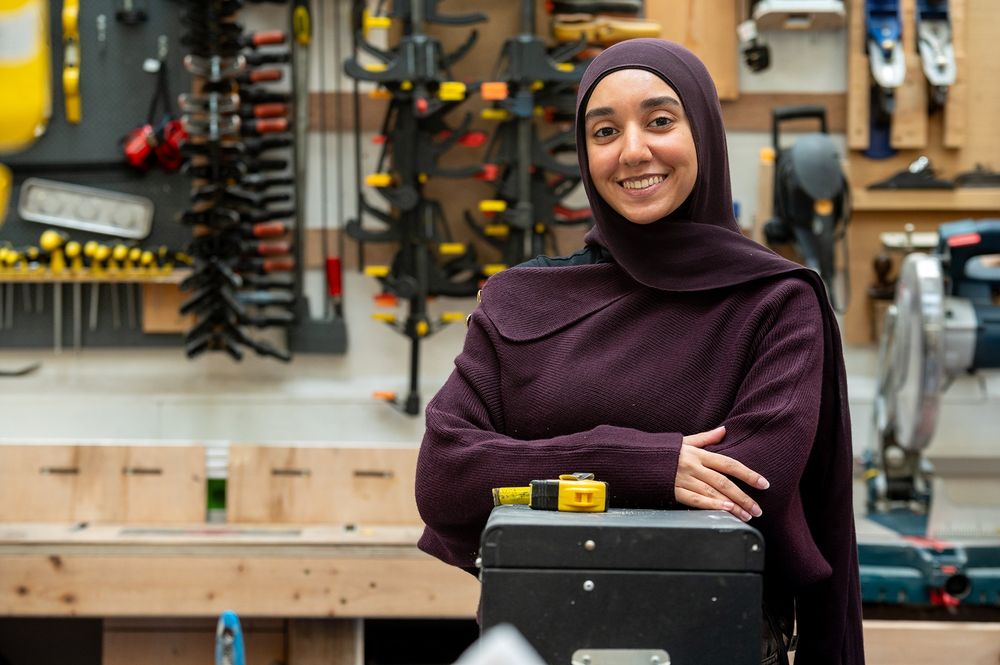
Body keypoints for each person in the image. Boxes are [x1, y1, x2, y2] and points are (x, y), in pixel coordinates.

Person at [415, 38, 864, 664]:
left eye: (659, 121)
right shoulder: (519, 301)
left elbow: (748, 482)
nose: (633, 151)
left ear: (702, 131)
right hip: (534, 646)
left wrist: (528, 470)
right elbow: (445, 475)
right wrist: (639, 462)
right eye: (604, 131)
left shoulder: (775, 303)